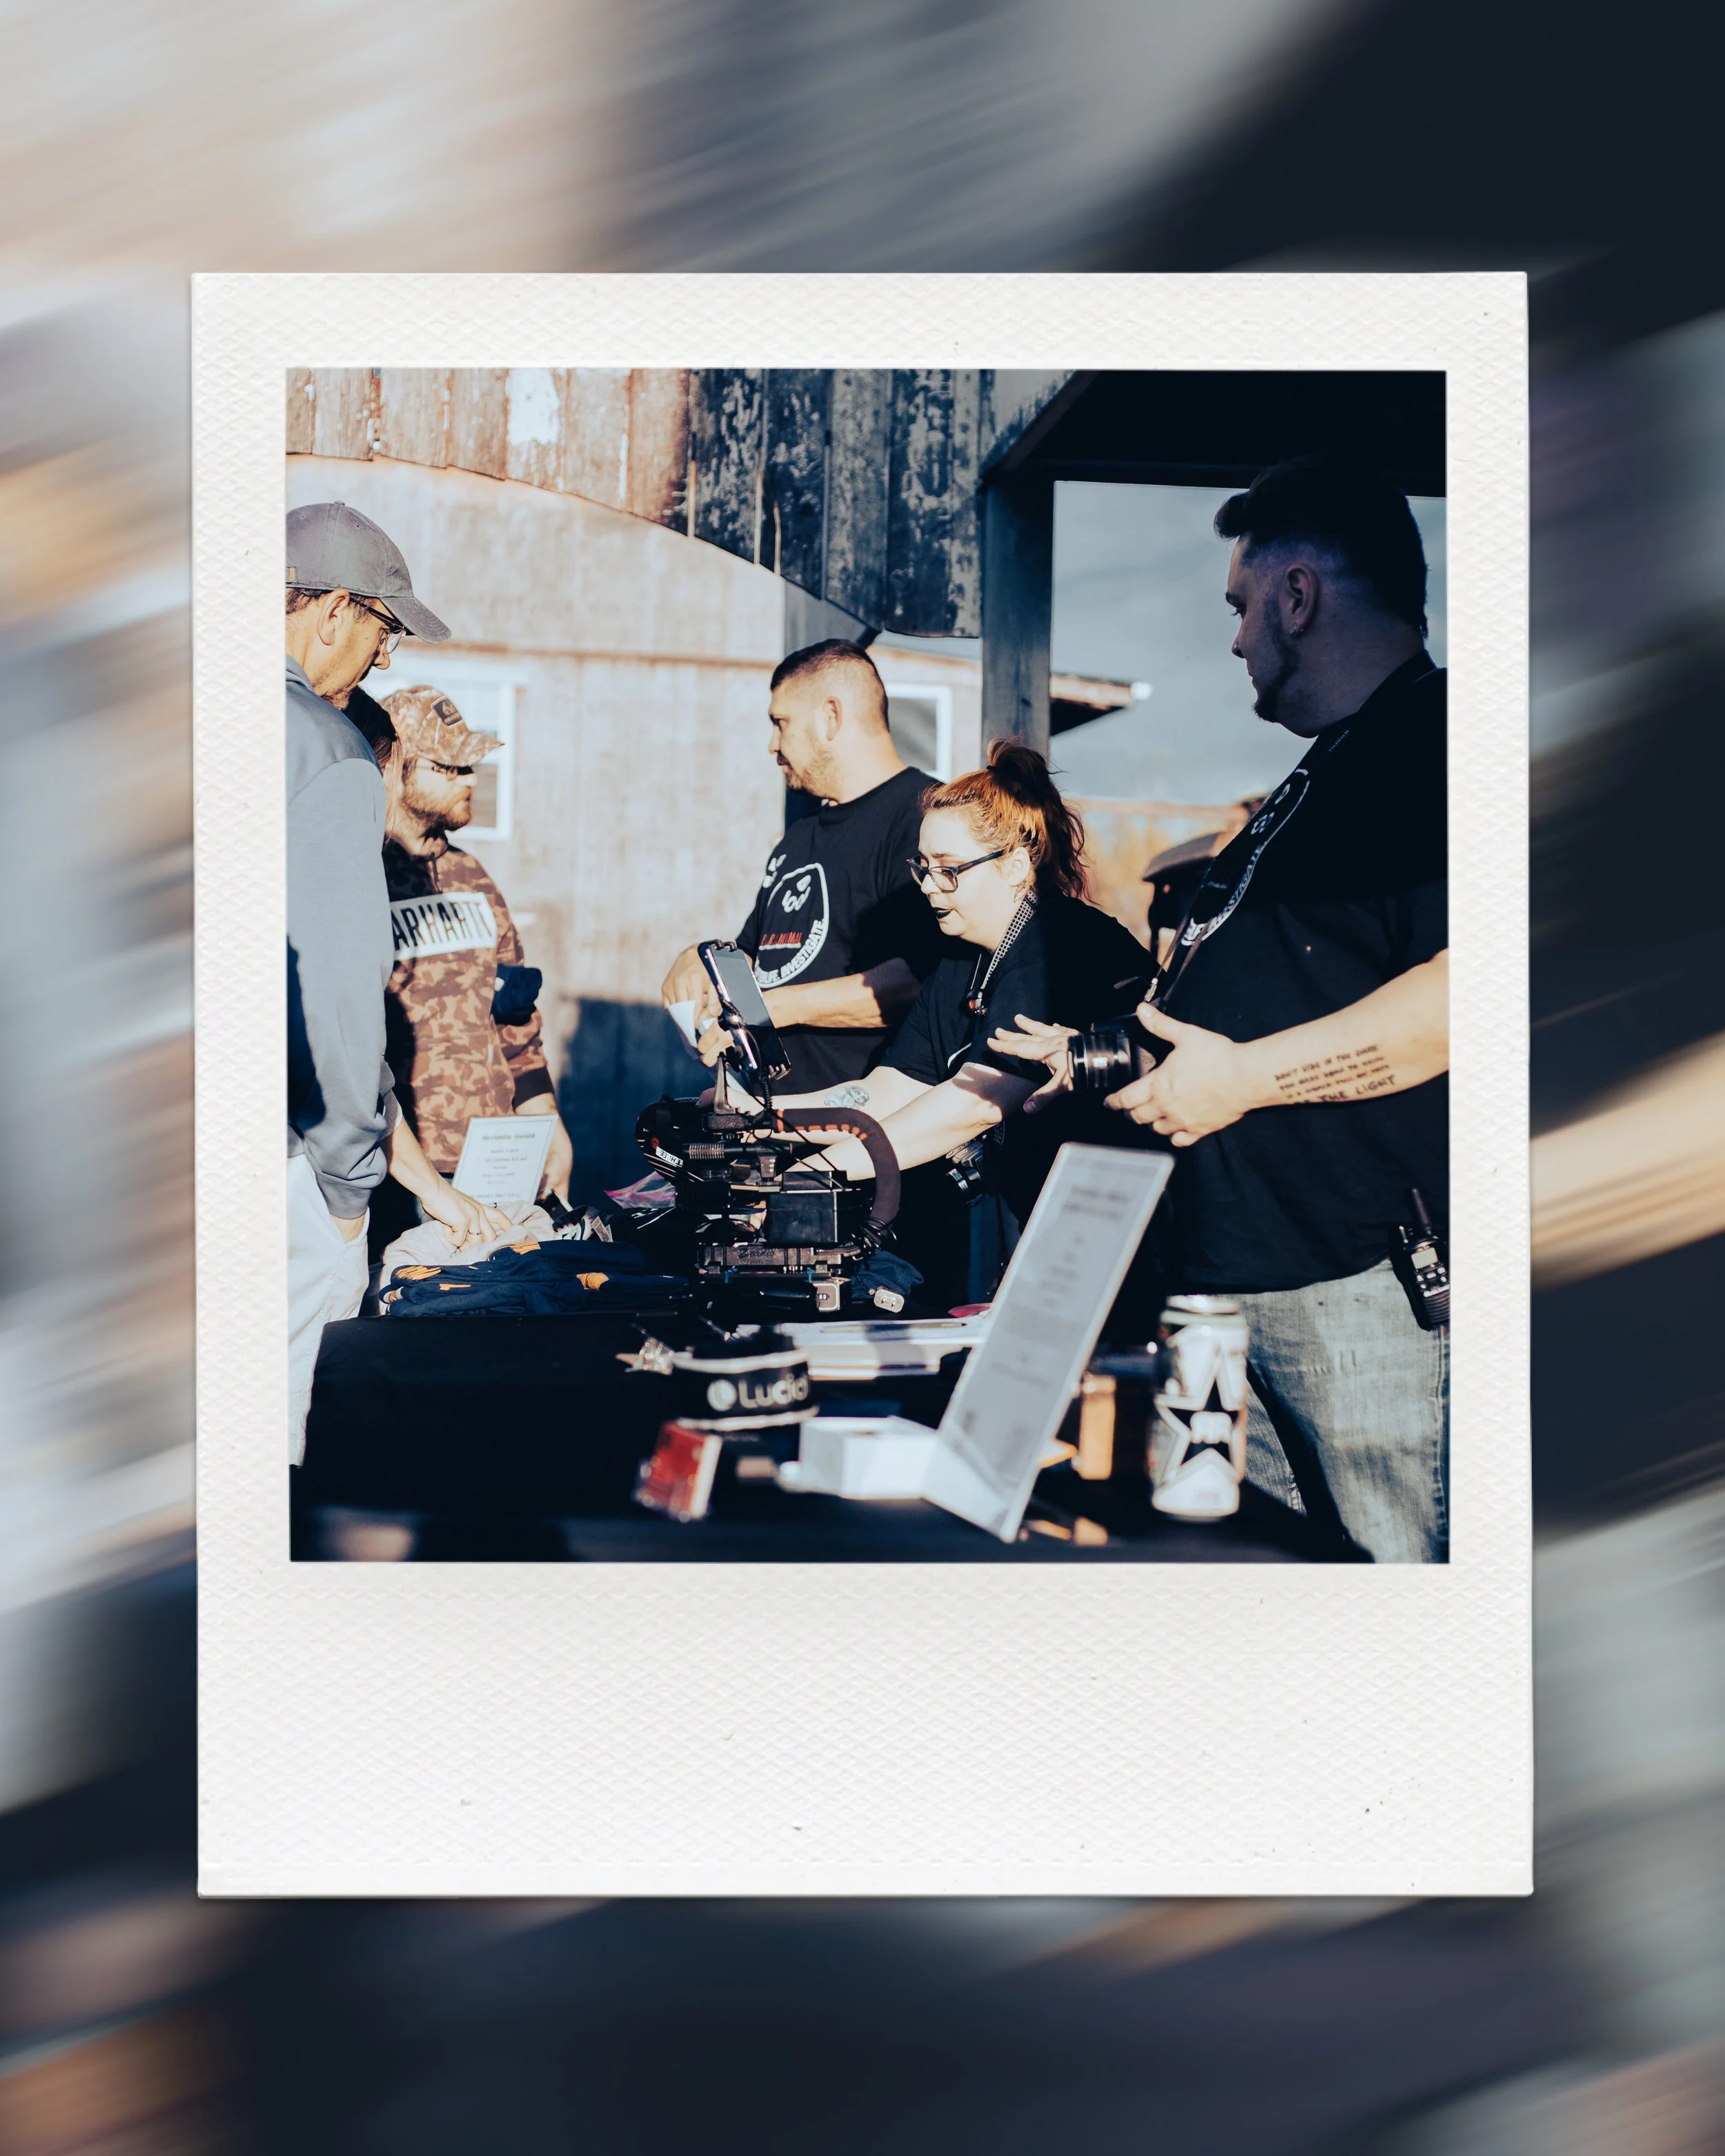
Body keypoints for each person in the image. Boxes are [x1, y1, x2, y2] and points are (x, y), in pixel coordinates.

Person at [996, 455, 1449, 1563]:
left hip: (1352, 1300)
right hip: (1226, 1292)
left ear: (1300, 596)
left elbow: (1474, 993)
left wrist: (1242, 1078)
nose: (1237, 640)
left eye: (1243, 607)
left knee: (1387, 1611)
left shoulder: (1439, 744)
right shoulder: (1329, 767)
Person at [286, 503, 504, 1463]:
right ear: (334, 608)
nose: (384, 657)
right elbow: (337, 998)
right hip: (300, 1156)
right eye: (384, 627)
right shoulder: (324, 746)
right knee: (285, 1455)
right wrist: (350, 1185)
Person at [778, 742, 1150, 1232]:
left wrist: (810, 1175)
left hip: (1125, 1216)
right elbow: (885, 1092)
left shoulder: (1058, 943)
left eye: (949, 869)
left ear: (1015, 865)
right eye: (923, 867)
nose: (928, 885)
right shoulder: (960, 959)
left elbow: (974, 1106)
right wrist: (758, 1118)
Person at [346, 683, 573, 1258]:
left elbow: (516, 1020)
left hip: (490, 1166)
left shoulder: (475, 879)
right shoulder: (357, 876)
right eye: (448, 767)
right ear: (396, 768)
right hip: (397, 1170)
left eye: (471, 766)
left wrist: (549, 1126)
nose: (470, 780)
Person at [660, 640, 944, 1095]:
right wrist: (699, 960)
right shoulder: (799, 837)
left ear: (830, 717)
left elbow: (922, 979)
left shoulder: (928, 819)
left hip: (863, 1126)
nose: (772, 745)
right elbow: (756, 956)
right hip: (767, 1116)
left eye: (781, 723)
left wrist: (766, 1010)